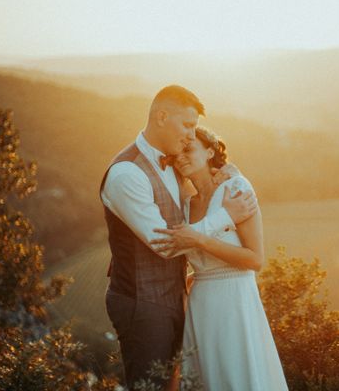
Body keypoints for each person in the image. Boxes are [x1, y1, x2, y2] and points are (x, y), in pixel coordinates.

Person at [99, 85, 258, 389]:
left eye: (194, 127)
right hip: (141, 301)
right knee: (152, 386)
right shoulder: (127, 174)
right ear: (161, 117)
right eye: (187, 125)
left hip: (175, 298)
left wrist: (224, 171)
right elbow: (164, 243)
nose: (190, 135)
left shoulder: (172, 163)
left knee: (175, 384)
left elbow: (196, 191)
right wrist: (226, 217)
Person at [151, 125, 289, 391]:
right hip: (201, 305)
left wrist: (200, 239)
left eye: (189, 149)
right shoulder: (185, 204)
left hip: (234, 299)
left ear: (210, 151)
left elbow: (255, 259)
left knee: (236, 375)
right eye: (177, 152)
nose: (181, 157)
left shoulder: (235, 187)